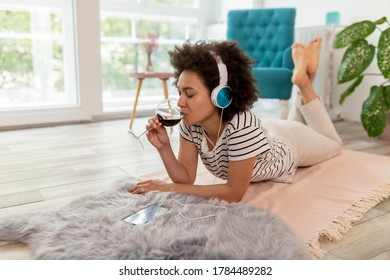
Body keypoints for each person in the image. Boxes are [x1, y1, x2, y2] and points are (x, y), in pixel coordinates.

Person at [129, 38, 342, 202]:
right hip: (267, 132)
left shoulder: (242, 125)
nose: (180, 102)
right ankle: (304, 81)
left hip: (290, 145)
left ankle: (304, 84)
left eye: (190, 94)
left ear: (220, 96)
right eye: (180, 92)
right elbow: (185, 179)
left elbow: (234, 192)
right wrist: (164, 148)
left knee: (334, 145)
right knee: (297, 123)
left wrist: (168, 187)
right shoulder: (191, 124)